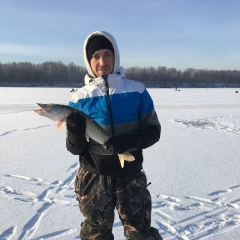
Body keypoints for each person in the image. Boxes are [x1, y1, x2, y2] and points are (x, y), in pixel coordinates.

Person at [66, 30, 162, 240]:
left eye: (108, 54)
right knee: (95, 234)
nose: (102, 61)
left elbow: (154, 131)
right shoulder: (79, 98)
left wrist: (131, 141)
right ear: (88, 60)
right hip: (93, 176)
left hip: (131, 175)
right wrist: (74, 134)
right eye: (96, 56)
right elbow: (75, 148)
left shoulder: (137, 91)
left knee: (141, 233)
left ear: (115, 56)